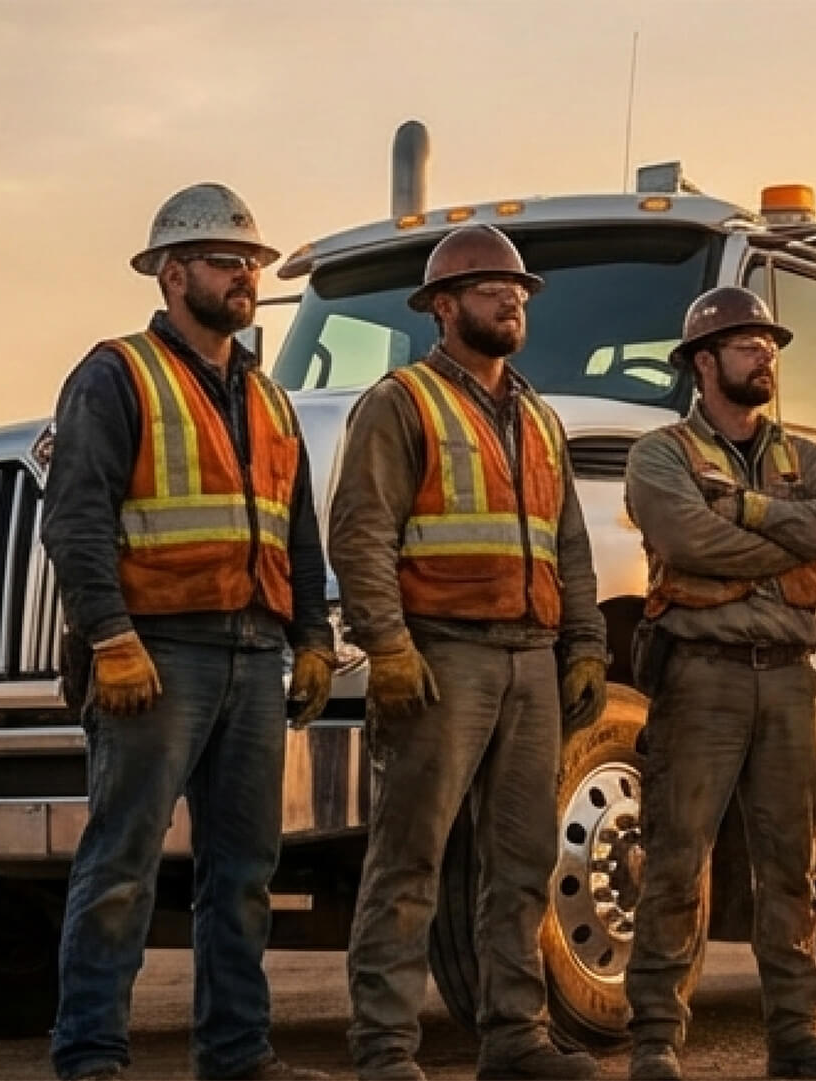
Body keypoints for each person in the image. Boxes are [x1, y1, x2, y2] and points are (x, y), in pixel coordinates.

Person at [43, 183, 335, 1081]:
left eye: (250, 263)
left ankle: (238, 1054)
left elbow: (299, 532)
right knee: (122, 863)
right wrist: (110, 638)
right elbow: (76, 519)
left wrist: (313, 635)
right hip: (159, 657)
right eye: (225, 261)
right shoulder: (116, 375)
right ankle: (91, 1056)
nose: (245, 276)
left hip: (254, 656)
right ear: (173, 274)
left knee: (244, 871)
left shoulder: (271, 399)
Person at [328, 224, 609, 1081]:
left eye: (518, 289)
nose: (511, 299)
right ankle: (384, 1046)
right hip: (442, 659)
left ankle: (514, 1036)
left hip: (530, 661)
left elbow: (571, 544)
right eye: (492, 288)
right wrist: (387, 643)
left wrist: (587, 641)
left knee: (522, 860)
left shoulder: (539, 417)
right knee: (410, 856)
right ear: (443, 307)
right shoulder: (401, 402)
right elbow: (361, 530)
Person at [621, 286, 816, 1081]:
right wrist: (787, 546)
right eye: (747, 342)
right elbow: (685, 539)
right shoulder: (659, 454)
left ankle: (798, 1035)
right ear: (704, 361)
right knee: (674, 858)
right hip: (702, 676)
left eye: (769, 343)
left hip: (792, 682)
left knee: (792, 865)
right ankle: (656, 1036)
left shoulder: (808, 457)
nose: (766, 353)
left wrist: (749, 509)